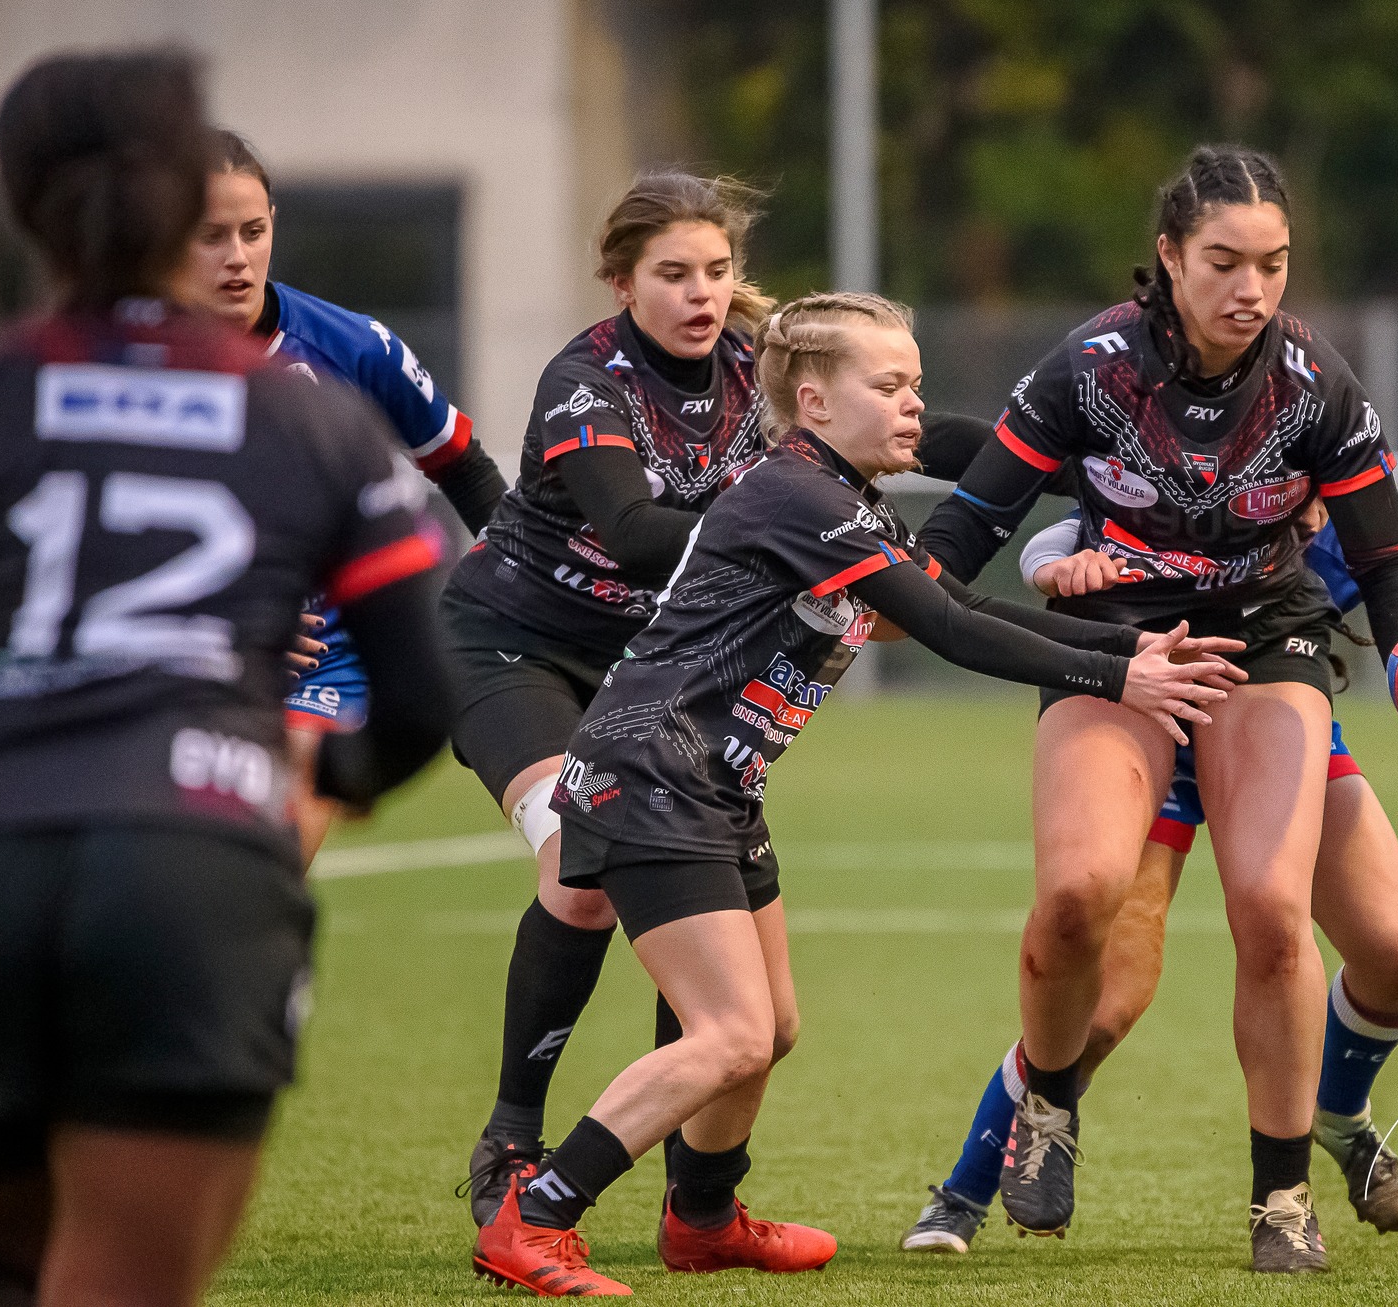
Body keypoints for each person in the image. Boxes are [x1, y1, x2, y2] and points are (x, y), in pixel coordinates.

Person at [468, 292, 1242, 1294]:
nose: (914, 405)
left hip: (712, 783)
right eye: (889, 385)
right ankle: (535, 1214)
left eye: (915, 383)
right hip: (651, 774)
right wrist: (1116, 677)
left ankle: (700, 1219)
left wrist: (1128, 642)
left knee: (771, 1028)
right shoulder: (800, 497)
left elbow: (954, 600)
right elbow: (951, 632)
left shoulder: (839, 498)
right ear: (814, 399)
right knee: (731, 1032)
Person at [0, 49, 454, 1307]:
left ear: (23, 204)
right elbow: (420, 698)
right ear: (186, 209)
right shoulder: (303, 416)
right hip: (189, 865)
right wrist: (317, 759)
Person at [444, 173, 1002, 1230]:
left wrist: (1065, 462)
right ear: (619, 281)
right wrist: (806, 535)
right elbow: (631, 532)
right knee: (578, 862)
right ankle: (513, 1138)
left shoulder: (763, 366)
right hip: (515, 642)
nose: (701, 294)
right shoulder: (587, 382)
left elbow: (935, 438)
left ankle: (696, 1208)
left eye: (716, 271)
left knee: (700, 909)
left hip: (653, 666)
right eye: (671, 275)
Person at [916, 145, 1398, 1272]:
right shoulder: (1090, 368)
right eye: (1223, 262)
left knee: (1271, 913)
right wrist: (871, 590)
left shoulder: (1315, 387)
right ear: (1167, 257)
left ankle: (1282, 1202)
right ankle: (1044, 1110)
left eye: (1273, 264)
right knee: (1075, 900)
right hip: (1118, 654)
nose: (1250, 289)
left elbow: (1389, 565)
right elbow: (962, 531)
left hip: (1263, 649)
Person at [901, 508, 1398, 1254]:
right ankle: (965, 1192)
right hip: (1158, 730)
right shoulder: (1195, 482)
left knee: (1396, 953)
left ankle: (1337, 1112)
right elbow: (1065, 536)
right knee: (1104, 1004)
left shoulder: (1347, 519)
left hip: (1280, 728)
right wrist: (1050, 564)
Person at [167, 130, 507, 860]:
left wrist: (526, 595)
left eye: (253, 232)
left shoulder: (354, 349)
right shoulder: (128, 370)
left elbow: (466, 469)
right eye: (210, 236)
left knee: (265, 854)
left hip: (323, 667)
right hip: (179, 659)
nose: (237, 257)